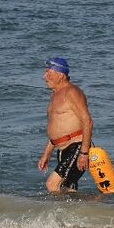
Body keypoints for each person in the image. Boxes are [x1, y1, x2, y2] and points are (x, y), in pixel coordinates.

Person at [37, 57, 93, 192]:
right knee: (68, 187)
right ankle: (77, 212)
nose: (44, 77)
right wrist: (46, 154)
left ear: (60, 75)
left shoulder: (72, 92)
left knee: (51, 185)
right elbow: (55, 128)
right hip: (62, 148)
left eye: (48, 73)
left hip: (77, 146)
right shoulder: (54, 95)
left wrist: (84, 153)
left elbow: (87, 121)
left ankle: (57, 213)